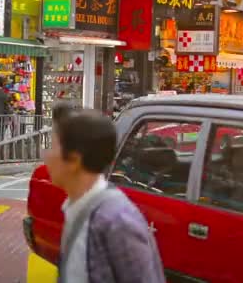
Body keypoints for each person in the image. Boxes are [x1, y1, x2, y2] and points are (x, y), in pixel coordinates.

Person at [45, 103, 165, 283]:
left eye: (52, 147)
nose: (45, 155)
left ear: (75, 159)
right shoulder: (77, 208)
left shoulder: (117, 221)